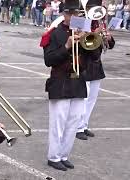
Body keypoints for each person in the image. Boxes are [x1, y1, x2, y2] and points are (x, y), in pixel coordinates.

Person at [40, 0, 87, 171]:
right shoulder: (53, 34)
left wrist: (91, 41)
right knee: (58, 123)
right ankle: (54, 157)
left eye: (77, 14)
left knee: (73, 122)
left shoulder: (84, 31)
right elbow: (49, 60)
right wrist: (67, 46)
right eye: (71, 14)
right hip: (60, 82)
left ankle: (64, 155)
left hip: (78, 82)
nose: (75, 17)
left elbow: (93, 57)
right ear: (64, 14)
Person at [76, 0, 115, 140]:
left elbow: (109, 46)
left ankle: (84, 125)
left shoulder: (100, 22)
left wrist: (108, 38)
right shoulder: (80, 20)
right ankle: (78, 127)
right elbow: (83, 45)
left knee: (92, 99)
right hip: (84, 64)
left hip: (96, 65)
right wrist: (94, 34)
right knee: (83, 99)